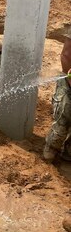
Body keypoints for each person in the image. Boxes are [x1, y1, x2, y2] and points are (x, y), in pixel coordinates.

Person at [43, 29, 71, 162]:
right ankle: (52, 149)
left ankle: (68, 152)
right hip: (69, 81)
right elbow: (66, 54)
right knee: (64, 115)